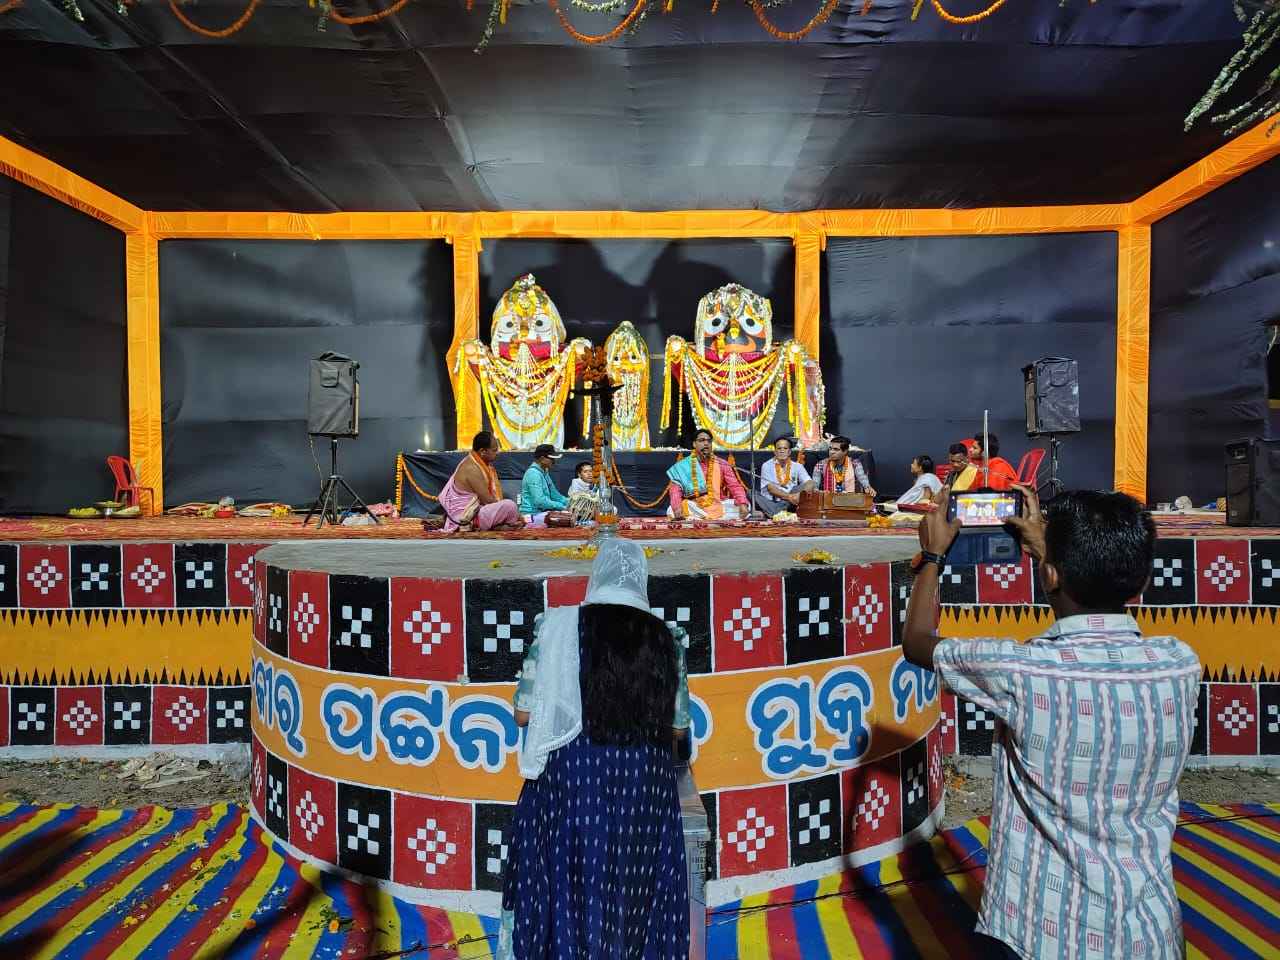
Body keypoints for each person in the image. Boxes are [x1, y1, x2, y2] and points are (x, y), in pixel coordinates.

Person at [903, 484, 1199, 960]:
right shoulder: (1179, 663)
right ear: (1142, 581)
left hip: (1047, 932)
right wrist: (1050, 555)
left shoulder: (1020, 671)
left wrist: (933, 557)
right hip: (1151, 931)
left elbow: (917, 641)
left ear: (1051, 575)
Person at [499, 538, 690, 960]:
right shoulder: (667, 637)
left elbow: (523, 715)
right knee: (633, 887)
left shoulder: (556, 627)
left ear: (596, 575)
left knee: (568, 879)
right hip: (642, 785)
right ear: (641, 580)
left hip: (575, 779)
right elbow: (678, 729)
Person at [439, 431, 524, 533]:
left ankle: (500, 526)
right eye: (494, 450)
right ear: (482, 451)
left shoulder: (480, 464)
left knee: (508, 507)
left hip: (476, 511)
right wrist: (517, 514)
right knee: (510, 506)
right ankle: (499, 526)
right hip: (467, 517)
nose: (498, 453)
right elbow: (487, 500)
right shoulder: (472, 468)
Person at [666, 428, 750, 519]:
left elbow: (734, 486)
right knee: (673, 509)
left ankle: (699, 517)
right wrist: (677, 508)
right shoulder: (683, 466)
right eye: (702, 440)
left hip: (717, 504)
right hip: (694, 504)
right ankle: (702, 516)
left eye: (709, 441)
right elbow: (675, 489)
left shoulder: (721, 464)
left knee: (745, 505)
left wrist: (742, 503)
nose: (706, 443)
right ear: (694, 444)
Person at [757, 436, 814, 517]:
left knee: (807, 487)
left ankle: (773, 512)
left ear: (789, 452)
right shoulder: (767, 465)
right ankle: (780, 511)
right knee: (751, 493)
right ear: (775, 452)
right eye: (779, 448)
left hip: (792, 499)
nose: (782, 451)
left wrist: (799, 495)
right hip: (772, 500)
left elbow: (810, 482)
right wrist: (789, 497)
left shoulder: (797, 466)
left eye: (785, 448)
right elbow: (771, 488)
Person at [518, 443, 570, 525]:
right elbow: (540, 501)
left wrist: (571, 502)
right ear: (542, 458)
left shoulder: (544, 472)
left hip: (542, 513)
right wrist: (563, 507)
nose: (554, 461)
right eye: (552, 459)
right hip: (531, 514)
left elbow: (556, 496)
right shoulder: (533, 474)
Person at [811, 435, 876, 497]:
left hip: (850, 500)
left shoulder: (855, 463)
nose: (831, 452)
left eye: (836, 449)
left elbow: (862, 478)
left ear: (845, 451)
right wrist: (817, 491)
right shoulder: (821, 464)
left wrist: (868, 487)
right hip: (829, 501)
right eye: (830, 449)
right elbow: (815, 486)